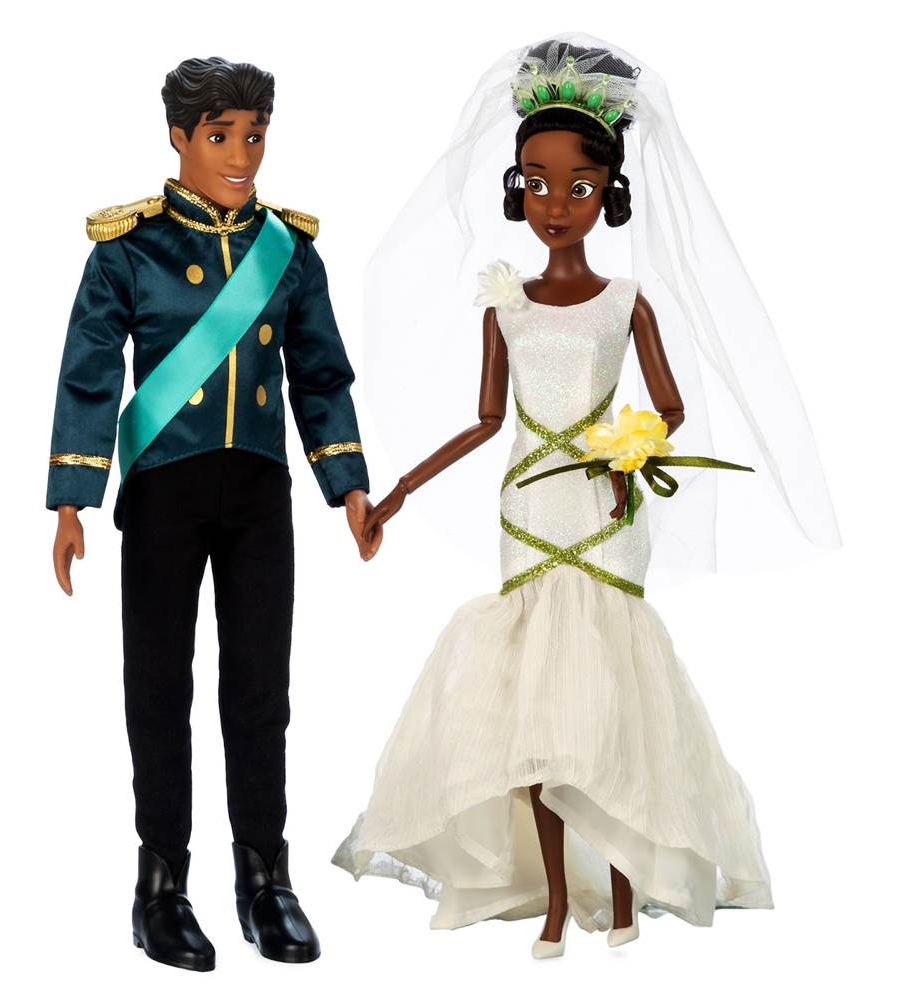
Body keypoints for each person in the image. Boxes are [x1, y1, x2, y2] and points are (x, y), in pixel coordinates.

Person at [333, 36, 836, 956]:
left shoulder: (626, 301)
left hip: (605, 514)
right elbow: (487, 421)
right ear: (515, 189)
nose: (555, 205)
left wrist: (630, 455)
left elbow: (671, 406)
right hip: (530, 508)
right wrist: (397, 493)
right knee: (535, 712)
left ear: (609, 192)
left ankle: (625, 891)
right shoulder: (506, 305)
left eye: (577, 186)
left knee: (605, 702)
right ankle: (559, 902)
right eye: (536, 184)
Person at [47, 56, 379, 971]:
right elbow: (88, 372)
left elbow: (320, 375)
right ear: (180, 138)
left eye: (255, 135)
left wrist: (349, 484)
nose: (241, 155)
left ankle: (264, 880)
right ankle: (160, 887)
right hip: (164, 490)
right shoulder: (129, 249)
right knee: (159, 689)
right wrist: (73, 499)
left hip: (259, 495)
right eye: (222, 135)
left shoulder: (289, 251)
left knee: (260, 691)